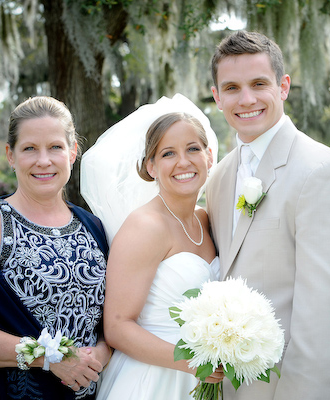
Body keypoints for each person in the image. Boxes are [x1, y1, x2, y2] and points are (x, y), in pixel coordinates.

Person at [205, 30, 330, 400]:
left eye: (259, 83)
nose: (246, 99)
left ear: (283, 86)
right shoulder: (218, 177)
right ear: (216, 96)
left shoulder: (322, 171)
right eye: (231, 88)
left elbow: (327, 317)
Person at [0, 96, 112, 400]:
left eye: (56, 147)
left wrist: (101, 352)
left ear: (73, 152)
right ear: (11, 155)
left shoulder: (95, 227)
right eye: (29, 148)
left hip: (83, 392)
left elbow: (108, 319)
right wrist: (49, 357)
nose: (43, 160)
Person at [79, 96, 222, 400]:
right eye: (168, 153)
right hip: (155, 380)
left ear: (209, 156)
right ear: (151, 166)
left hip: (206, 379)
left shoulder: (205, 218)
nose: (183, 162)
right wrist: (192, 363)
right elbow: (117, 327)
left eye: (193, 149)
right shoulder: (145, 226)